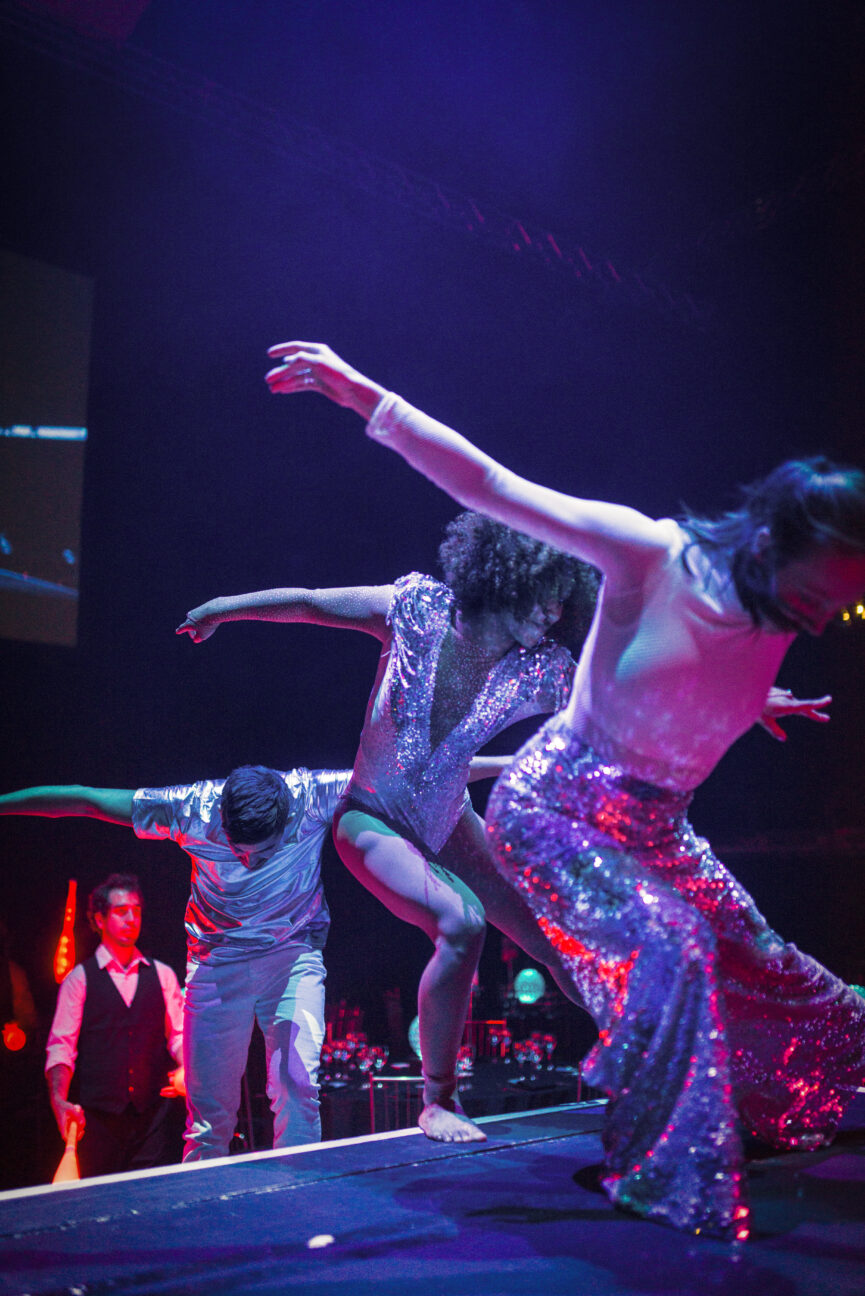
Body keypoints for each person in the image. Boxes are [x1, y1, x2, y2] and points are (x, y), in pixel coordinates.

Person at [260, 340, 865, 1238]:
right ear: (773, 542)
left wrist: (754, 699)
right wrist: (367, 399)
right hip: (557, 812)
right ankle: (660, 1174)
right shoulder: (651, 554)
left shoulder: (775, 608)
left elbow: (684, 675)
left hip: (656, 828)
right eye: (822, 597)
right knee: (670, 945)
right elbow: (490, 485)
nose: (824, 619)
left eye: (841, 607)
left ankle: (764, 1116)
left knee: (776, 966)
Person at [177, 513, 603, 1143]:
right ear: (504, 577)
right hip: (369, 821)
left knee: (558, 940)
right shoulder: (416, 610)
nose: (549, 615)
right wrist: (221, 607)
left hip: (449, 820)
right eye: (542, 599)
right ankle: (438, 1100)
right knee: (462, 923)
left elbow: (625, 696)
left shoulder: (536, 670)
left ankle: (643, 1049)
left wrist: (748, 700)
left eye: (559, 606)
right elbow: (310, 604)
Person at [0, 764, 349, 1160]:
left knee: (297, 1085)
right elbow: (85, 799)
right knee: (208, 1120)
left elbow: (403, 783)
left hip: (290, 956)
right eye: (239, 851)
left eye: (264, 854)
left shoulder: (316, 795)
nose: (250, 863)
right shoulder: (192, 808)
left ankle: (297, 1203)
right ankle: (203, 1210)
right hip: (218, 963)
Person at [43, 873, 184, 1179]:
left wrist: (188, 1067)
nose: (132, 918)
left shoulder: (162, 975)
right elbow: (61, 1047)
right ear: (100, 919)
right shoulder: (79, 979)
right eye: (122, 911)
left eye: (136, 910)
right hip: (98, 1124)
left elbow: (179, 1037)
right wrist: (58, 1098)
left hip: (153, 1122)